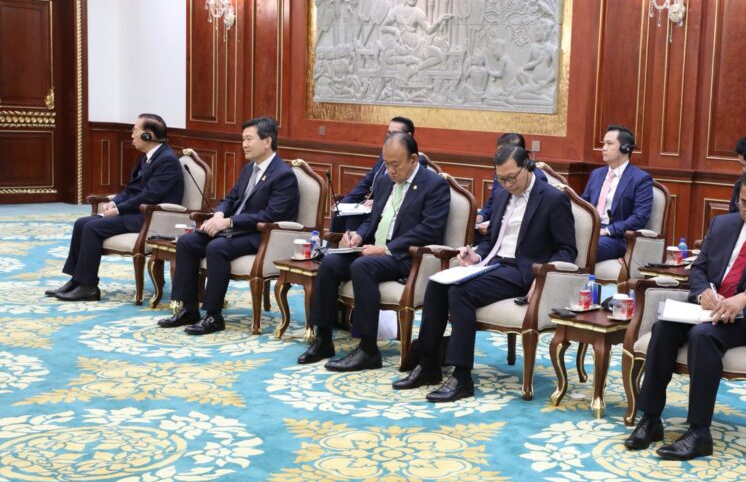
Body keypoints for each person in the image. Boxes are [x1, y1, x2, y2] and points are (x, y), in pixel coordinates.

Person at [625, 166, 746, 460]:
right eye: (744, 203)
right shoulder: (723, 224)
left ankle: (699, 432)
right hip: (709, 309)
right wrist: (703, 293)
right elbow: (698, 269)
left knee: (703, 336)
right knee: (663, 328)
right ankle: (650, 419)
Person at [392, 145, 577, 401]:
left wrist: (543, 276)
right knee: (437, 284)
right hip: (494, 264)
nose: (507, 184)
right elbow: (491, 240)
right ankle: (428, 364)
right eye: (501, 179)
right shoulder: (502, 195)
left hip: (523, 271)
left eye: (511, 177)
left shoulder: (553, 199)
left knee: (460, 292)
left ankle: (462, 377)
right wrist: (476, 256)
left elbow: (567, 250)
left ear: (528, 166)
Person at [298, 133, 450, 369]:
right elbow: (373, 219)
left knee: (363, 266)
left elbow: (429, 229)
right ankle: (323, 339)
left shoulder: (435, 185)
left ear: (413, 160)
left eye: (395, 165)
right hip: (372, 249)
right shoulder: (384, 181)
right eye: (386, 164)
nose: (390, 170)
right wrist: (358, 235)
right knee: (329, 263)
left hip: (406, 256)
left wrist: (387, 248)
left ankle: (368, 349)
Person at [157, 117, 298, 335]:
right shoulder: (249, 169)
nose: (244, 144)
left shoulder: (283, 175)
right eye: (243, 139)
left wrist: (229, 222)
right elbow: (231, 198)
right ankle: (188, 309)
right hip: (234, 229)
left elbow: (270, 215)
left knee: (217, 247)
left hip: (262, 236)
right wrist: (219, 214)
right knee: (187, 242)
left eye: (249, 139)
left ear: (267, 141)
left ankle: (213, 316)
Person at [47, 113, 184, 302]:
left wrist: (119, 210)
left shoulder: (166, 160)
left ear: (148, 135)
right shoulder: (147, 158)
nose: (132, 135)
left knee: (92, 227)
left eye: (135, 131)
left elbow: (149, 196)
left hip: (153, 218)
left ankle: (88, 287)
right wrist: (115, 202)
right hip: (139, 213)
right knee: (81, 223)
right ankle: (77, 281)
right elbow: (132, 189)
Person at [331, 116, 429, 232]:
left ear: (408, 136)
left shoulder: (415, 162)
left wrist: (378, 202)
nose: (389, 137)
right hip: (369, 206)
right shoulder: (385, 156)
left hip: (389, 211)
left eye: (394, 133)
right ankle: (333, 243)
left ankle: (352, 242)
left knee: (353, 220)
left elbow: (406, 193)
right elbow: (367, 181)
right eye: (388, 133)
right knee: (340, 213)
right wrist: (345, 203)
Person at [580, 125, 654, 262]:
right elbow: (583, 205)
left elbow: (640, 217)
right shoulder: (596, 174)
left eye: (609, 143)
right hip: (589, 231)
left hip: (616, 237)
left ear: (625, 148)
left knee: (582, 248)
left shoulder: (641, 179)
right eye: (603, 143)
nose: (603, 148)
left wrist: (608, 230)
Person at [474, 132, 546, 243]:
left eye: (511, 178)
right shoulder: (501, 172)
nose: (507, 184)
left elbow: (529, 217)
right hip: (492, 224)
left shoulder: (536, 178)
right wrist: (481, 217)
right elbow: (492, 201)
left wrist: (497, 226)